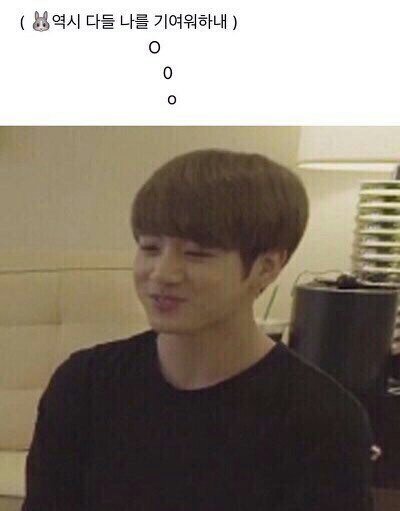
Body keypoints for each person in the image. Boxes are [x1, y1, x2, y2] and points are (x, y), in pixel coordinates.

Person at [22, 149, 375, 511]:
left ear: (267, 267)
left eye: (196, 254)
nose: (162, 273)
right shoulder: (84, 385)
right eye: (150, 248)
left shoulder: (323, 419)